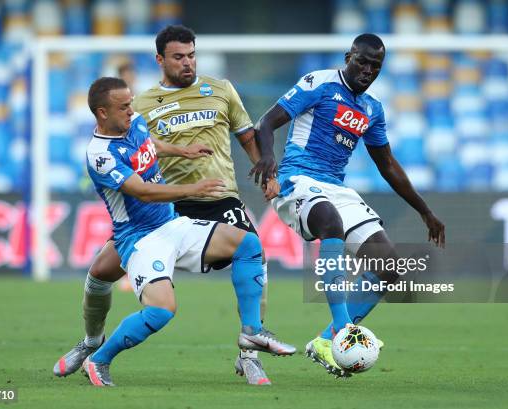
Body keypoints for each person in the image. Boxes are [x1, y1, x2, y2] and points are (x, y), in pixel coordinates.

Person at [53, 25, 287, 386]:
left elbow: (152, 143)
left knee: (251, 247)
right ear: (160, 59)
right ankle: (93, 347)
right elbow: (143, 192)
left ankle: (251, 347)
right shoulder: (103, 151)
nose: (132, 112)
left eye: (192, 55)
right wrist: (192, 184)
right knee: (106, 278)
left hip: (194, 209)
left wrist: (183, 149)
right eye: (179, 56)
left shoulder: (140, 120)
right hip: (147, 225)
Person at [250, 33, 445, 377]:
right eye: (362, 62)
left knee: (390, 269)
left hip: (337, 189)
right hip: (299, 181)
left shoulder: (372, 109)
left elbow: (387, 165)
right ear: (348, 56)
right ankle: (344, 329)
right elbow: (266, 122)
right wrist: (268, 159)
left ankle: (326, 341)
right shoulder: (320, 83)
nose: (368, 70)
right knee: (330, 222)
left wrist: (425, 211)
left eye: (376, 66)